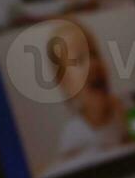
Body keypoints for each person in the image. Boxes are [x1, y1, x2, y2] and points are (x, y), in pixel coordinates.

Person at [43, 19, 129, 166]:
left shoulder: (127, 110)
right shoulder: (73, 134)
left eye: (94, 54)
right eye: (79, 60)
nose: (92, 63)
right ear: (65, 83)